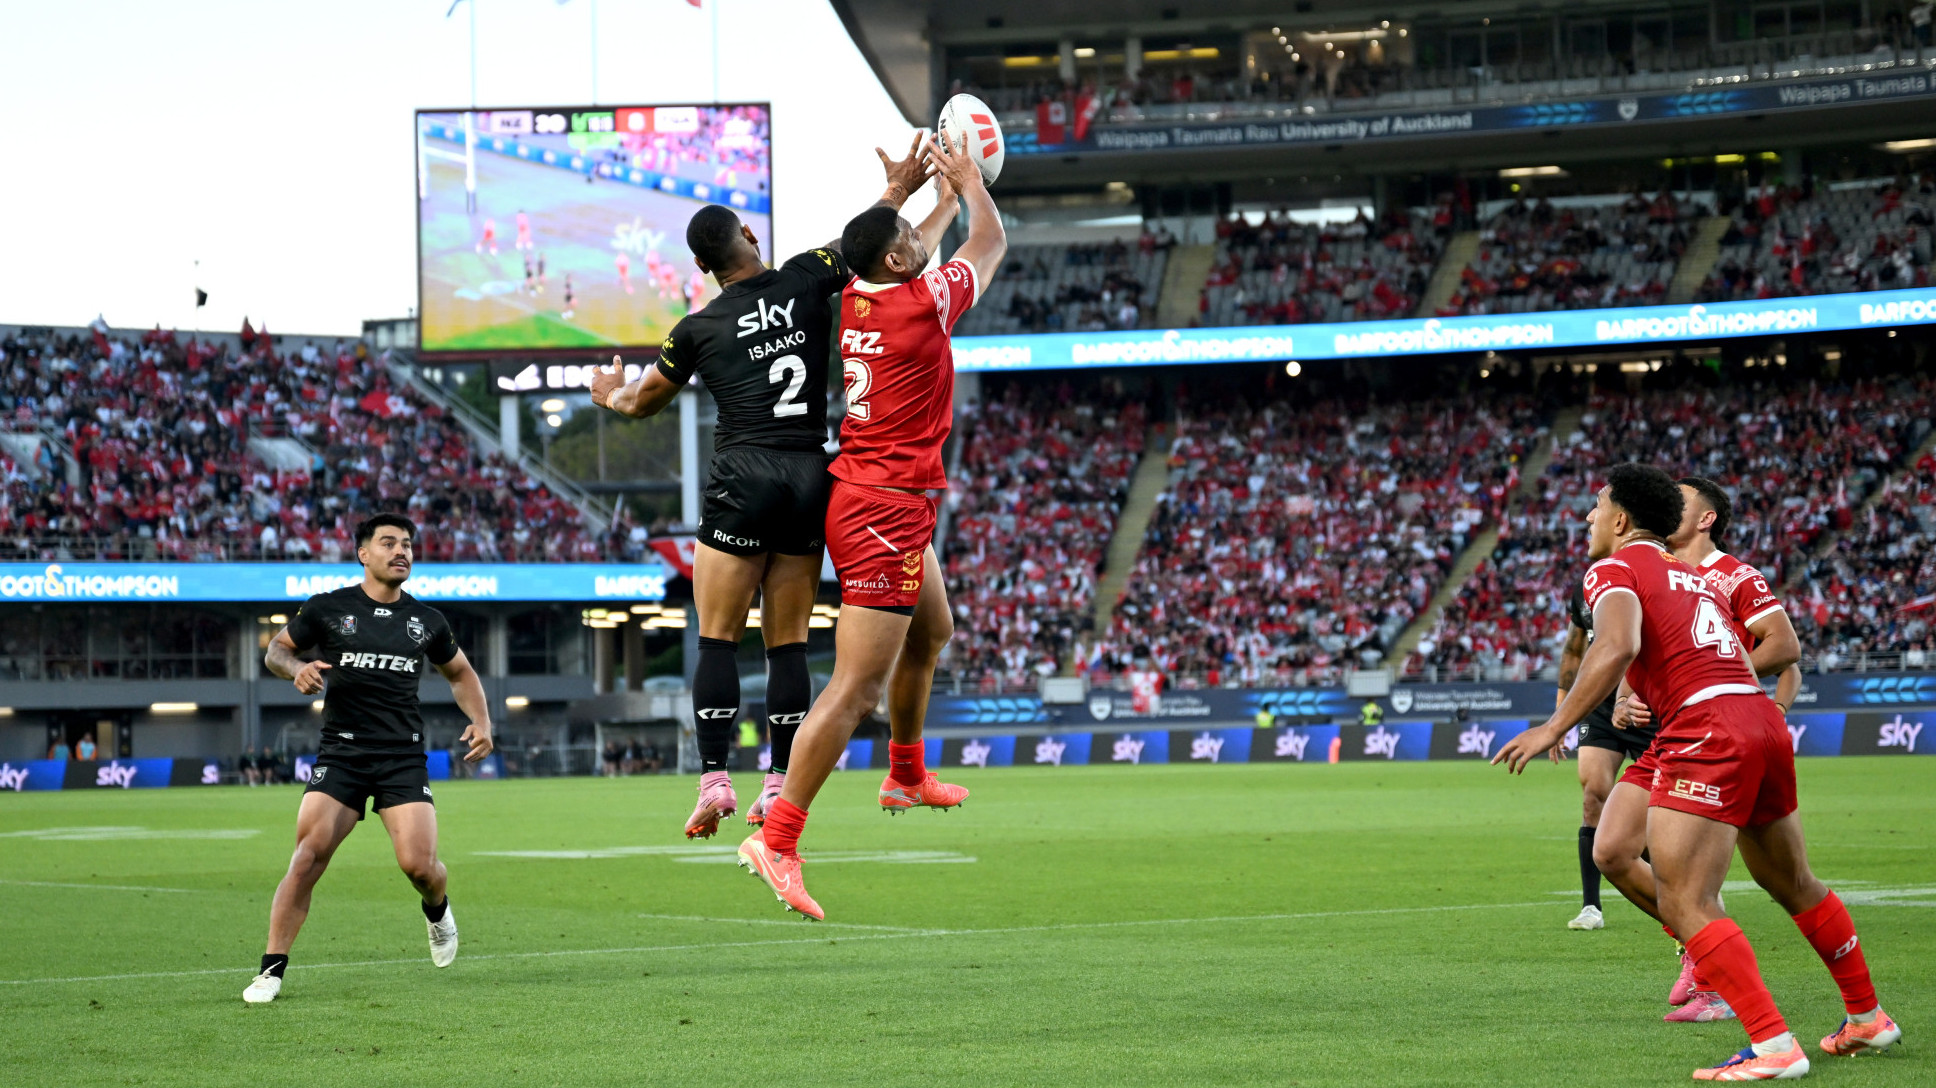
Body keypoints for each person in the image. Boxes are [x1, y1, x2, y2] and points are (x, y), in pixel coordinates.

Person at [1495, 465, 1899, 1080]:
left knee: (1686, 899)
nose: (1588, 518)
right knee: (1794, 883)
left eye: (1596, 507)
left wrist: (1555, 725)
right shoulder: (1696, 576)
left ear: (1623, 520)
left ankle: (1772, 1047)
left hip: (1704, 729)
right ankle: (1867, 1017)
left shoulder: (1613, 568)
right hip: (1758, 721)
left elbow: (1617, 643)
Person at [590, 134, 939, 840]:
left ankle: (716, 778)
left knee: (717, 639)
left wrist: (607, 393)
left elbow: (639, 403)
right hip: (811, 475)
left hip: (742, 474)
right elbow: (866, 241)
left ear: (701, 265)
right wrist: (904, 187)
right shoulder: (808, 276)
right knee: (786, 645)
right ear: (749, 236)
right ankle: (776, 782)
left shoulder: (696, 327)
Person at [737, 129, 1003, 921]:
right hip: (883, 509)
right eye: (914, 239)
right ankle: (778, 837)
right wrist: (971, 182)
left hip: (886, 496)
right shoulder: (923, 303)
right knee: (854, 688)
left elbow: (865, 247)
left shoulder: (855, 291)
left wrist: (918, 197)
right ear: (897, 261)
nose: (924, 240)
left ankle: (907, 770)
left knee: (933, 633)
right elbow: (991, 242)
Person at [242, 514, 495, 1005]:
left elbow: (461, 674)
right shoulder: (328, 609)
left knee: (419, 867)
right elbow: (276, 650)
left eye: (407, 545)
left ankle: (437, 909)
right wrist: (296, 668)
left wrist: (482, 723)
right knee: (308, 856)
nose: (401, 551)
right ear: (363, 554)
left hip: (401, 755)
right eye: (389, 543)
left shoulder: (427, 621)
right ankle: (270, 970)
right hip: (342, 753)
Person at [1589, 476, 1806, 1022]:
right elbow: (1634, 653)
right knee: (1612, 850)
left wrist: (1718, 678)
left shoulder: (1730, 574)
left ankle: (1731, 991)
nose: (1668, 507)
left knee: (1740, 880)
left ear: (1705, 517)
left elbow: (1786, 651)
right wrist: (1623, 701)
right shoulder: (1658, 570)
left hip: (1716, 729)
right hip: (1672, 732)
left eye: (1680, 502)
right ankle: (1694, 944)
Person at [1556, 577, 1640, 933]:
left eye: (1597, 518)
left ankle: (1683, 884)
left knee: (1665, 801)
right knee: (1593, 795)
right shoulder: (1584, 589)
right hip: (1600, 707)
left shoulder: (1648, 576)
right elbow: (1574, 650)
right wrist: (1561, 714)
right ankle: (1591, 906)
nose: (1592, 521)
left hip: (1645, 703)